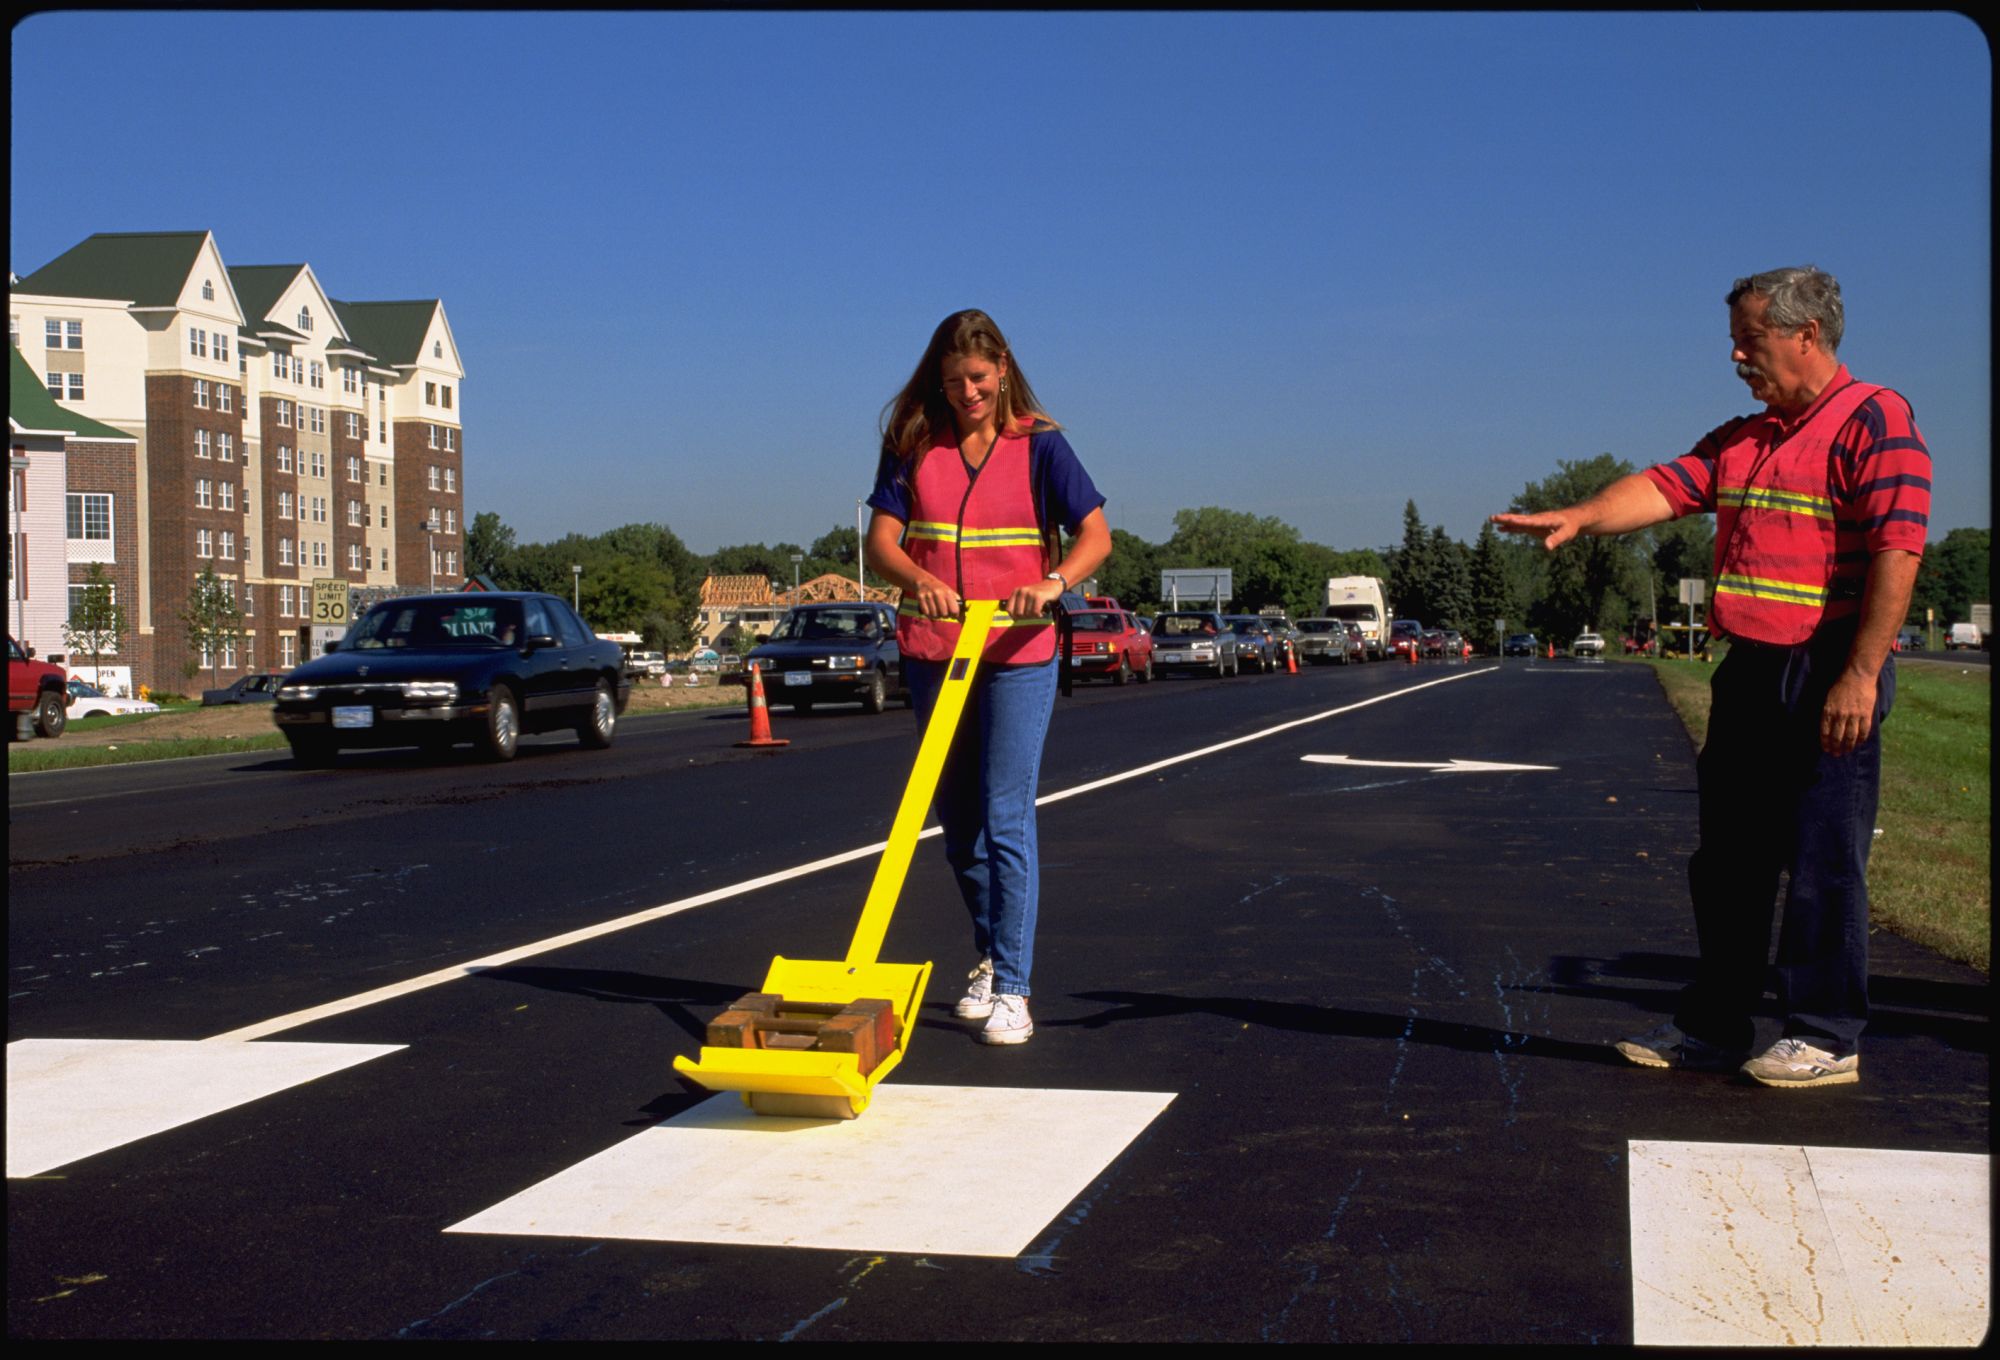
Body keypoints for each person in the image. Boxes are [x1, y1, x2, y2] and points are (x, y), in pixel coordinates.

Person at [1491, 266, 1930, 1089]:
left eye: (1751, 339)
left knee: (1824, 858)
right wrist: (1584, 516)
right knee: (1729, 861)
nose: (1735, 355)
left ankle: (1826, 1034)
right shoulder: (1748, 437)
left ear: (1806, 335)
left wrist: (1861, 674)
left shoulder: (1875, 420)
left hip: (1826, 668)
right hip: (1751, 672)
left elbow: (1898, 551)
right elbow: (1664, 488)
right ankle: (1716, 1023)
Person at [865, 309, 1111, 1045]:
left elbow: (1095, 532)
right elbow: (882, 541)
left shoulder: (1041, 444)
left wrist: (1055, 581)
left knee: (1007, 816)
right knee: (960, 826)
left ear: (1002, 367)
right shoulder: (912, 441)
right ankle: (988, 951)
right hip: (935, 646)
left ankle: (1012, 986)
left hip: (1018, 651)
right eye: (951, 383)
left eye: (976, 379)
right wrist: (916, 578)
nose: (966, 394)